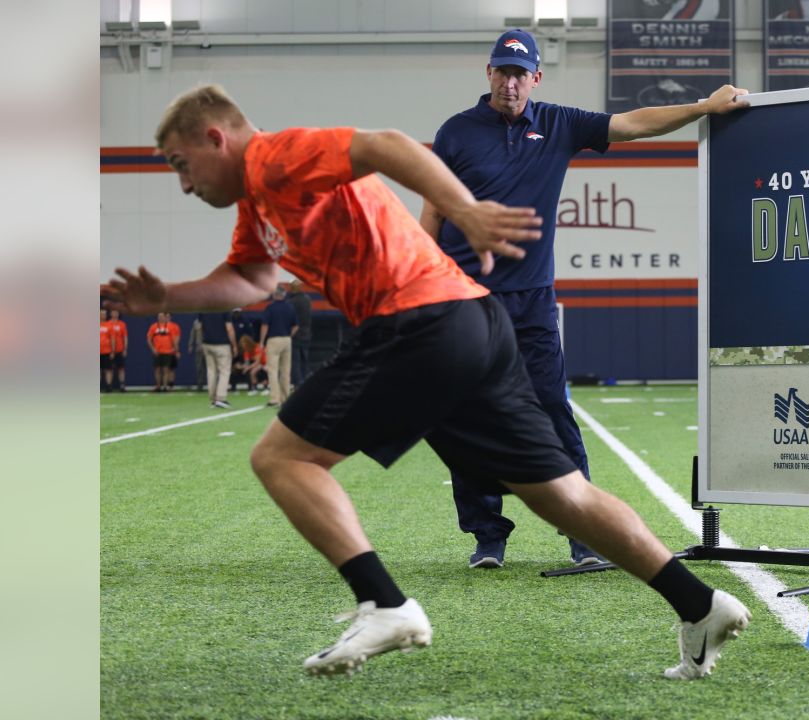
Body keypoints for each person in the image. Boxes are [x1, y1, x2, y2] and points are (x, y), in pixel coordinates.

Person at [101, 84, 750, 679]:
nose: (182, 184)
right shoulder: (259, 204)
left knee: (281, 456)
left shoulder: (274, 157)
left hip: (420, 321)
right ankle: (699, 605)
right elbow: (250, 280)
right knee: (561, 497)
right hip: (474, 323)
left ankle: (384, 604)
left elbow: (384, 145)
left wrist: (464, 211)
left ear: (216, 139)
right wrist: (170, 295)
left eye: (178, 164)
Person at [426, 29, 749, 569]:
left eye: (519, 73)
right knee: (468, 414)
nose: (510, 82)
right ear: (488, 74)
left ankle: (583, 535)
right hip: (465, 296)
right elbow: (433, 208)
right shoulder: (456, 133)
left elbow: (632, 124)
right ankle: (487, 535)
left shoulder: (557, 124)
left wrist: (705, 108)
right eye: (501, 72)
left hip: (530, 301)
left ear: (536, 77)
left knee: (553, 412)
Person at [259, 285, 298, 407]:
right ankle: (285, 398)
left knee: (273, 370)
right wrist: (289, 336)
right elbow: (296, 326)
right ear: (284, 294)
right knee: (286, 371)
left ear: (274, 295)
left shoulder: (270, 308)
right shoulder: (290, 307)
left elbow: (265, 326)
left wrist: (261, 341)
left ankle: (275, 399)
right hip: (287, 340)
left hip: (274, 340)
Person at [199, 310, 236, 408]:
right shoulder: (224, 307)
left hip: (207, 343)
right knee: (224, 371)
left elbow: (200, 327)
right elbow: (229, 328)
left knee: (211, 371)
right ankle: (221, 398)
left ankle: (213, 398)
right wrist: (234, 345)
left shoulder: (204, 307)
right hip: (222, 344)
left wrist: (201, 342)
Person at [286, 279, 313, 386]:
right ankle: (306, 382)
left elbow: (289, 320)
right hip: (306, 333)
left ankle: (297, 383)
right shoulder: (307, 299)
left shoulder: (290, 302)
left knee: (295, 361)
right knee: (304, 360)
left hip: (294, 334)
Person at [146, 311, 180, 392]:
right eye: (159, 316)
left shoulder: (170, 327)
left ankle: (165, 386)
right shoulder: (153, 327)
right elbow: (149, 339)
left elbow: (174, 340)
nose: (160, 318)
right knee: (157, 369)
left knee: (166, 369)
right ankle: (158, 386)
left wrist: (176, 350)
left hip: (167, 352)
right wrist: (153, 349)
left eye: (162, 316)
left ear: (165, 317)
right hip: (157, 351)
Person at [108, 309, 129, 391]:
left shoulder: (122, 324)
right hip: (108, 350)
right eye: (113, 312)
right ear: (111, 313)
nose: (115, 314)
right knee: (109, 368)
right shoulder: (107, 324)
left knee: (121, 368)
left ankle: (122, 385)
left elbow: (125, 337)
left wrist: (125, 348)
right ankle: (109, 385)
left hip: (120, 349)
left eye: (116, 312)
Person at [99, 308, 116, 392]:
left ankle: (108, 386)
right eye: (102, 314)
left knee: (108, 369)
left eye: (105, 314)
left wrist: (112, 351)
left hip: (106, 351)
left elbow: (112, 339)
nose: (103, 315)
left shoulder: (109, 326)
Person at [188, 315, 206, 391]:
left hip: (209, 347)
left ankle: (213, 385)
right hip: (199, 349)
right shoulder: (196, 322)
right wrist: (190, 345)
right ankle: (200, 384)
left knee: (211, 368)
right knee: (199, 368)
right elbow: (192, 334)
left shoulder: (210, 320)